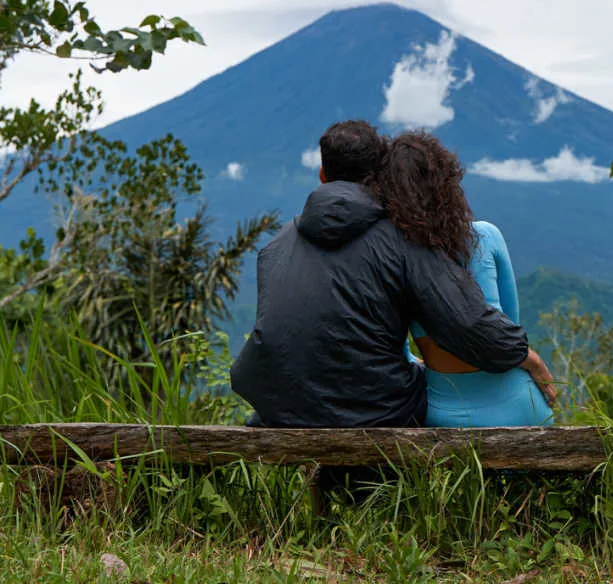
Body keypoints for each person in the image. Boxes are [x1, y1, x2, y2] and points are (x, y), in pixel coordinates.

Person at [228, 119, 555, 428]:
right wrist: (526, 356)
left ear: (321, 174)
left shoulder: (275, 247)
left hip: (279, 405)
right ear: (379, 177)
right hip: (376, 408)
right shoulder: (403, 239)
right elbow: (468, 322)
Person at [371, 130, 556, 427]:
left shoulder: (393, 254)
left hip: (445, 415)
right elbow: (508, 326)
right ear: (448, 184)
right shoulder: (486, 236)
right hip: (521, 409)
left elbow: (394, 345)